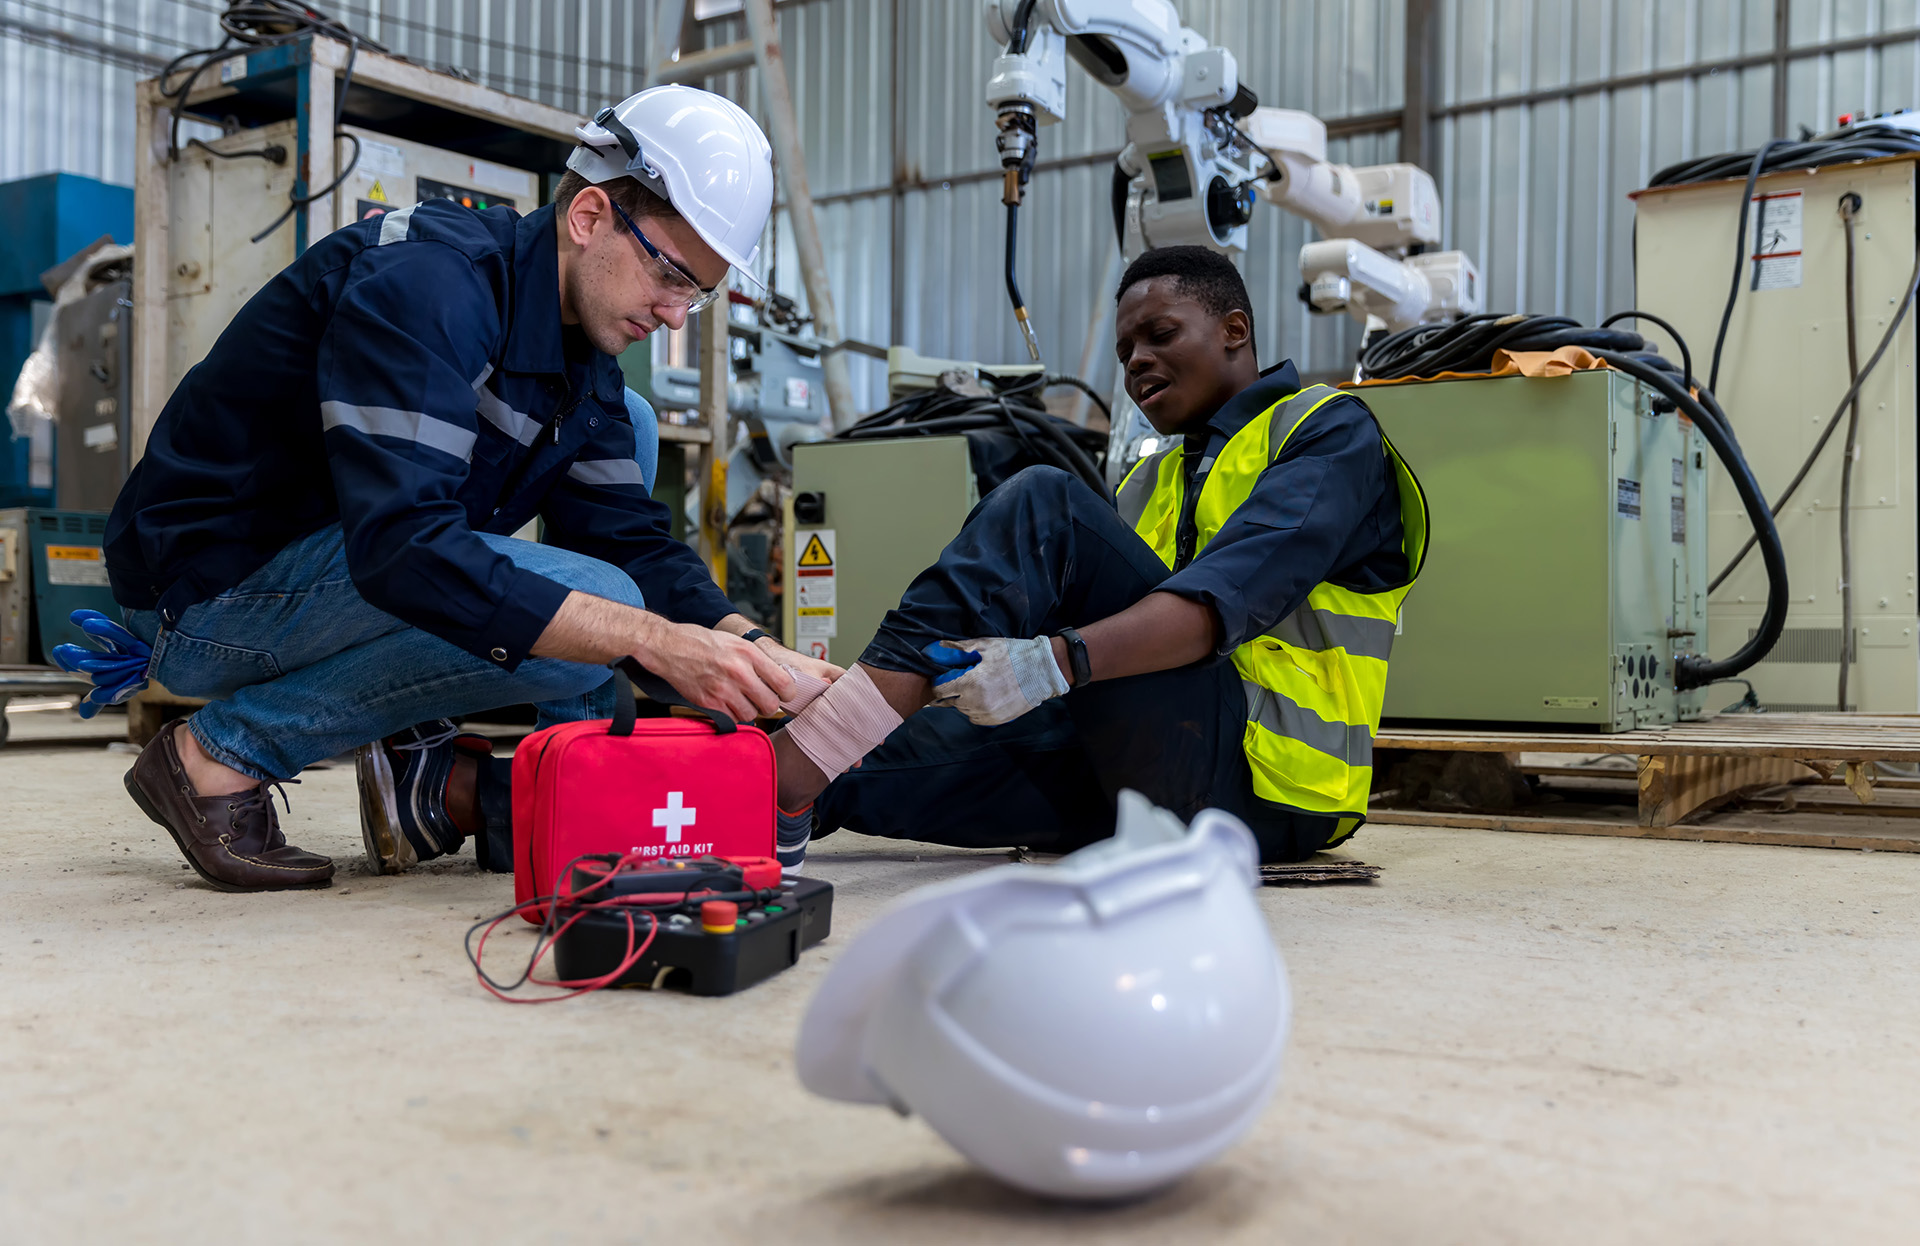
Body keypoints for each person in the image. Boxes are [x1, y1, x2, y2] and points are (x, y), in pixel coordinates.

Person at [106, 85, 838, 892]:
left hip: (330, 568)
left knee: (619, 467)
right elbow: (402, 551)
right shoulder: (430, 285)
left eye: (695, 293)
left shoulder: (580, 358)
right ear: (590, 216)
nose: (674, 317)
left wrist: (755, 652)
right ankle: (218, 755)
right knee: (602, 614)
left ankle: (533, 801)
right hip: (209, 590)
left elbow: (627, 538)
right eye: (670, 275)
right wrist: (655, 639)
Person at [766, 245, 1428, 866]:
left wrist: (1053, 662)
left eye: (1159, 335)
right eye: (1125, 349)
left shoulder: (1325, 431)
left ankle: (813, 746)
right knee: (868, 764)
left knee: (1043, 501)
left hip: (1271, 788)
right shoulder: (1150, 480)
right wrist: (973, 674)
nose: (1136, 360)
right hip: (1151, 770)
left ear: (1234, 330)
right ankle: (767, 793)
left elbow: (1217, 605)